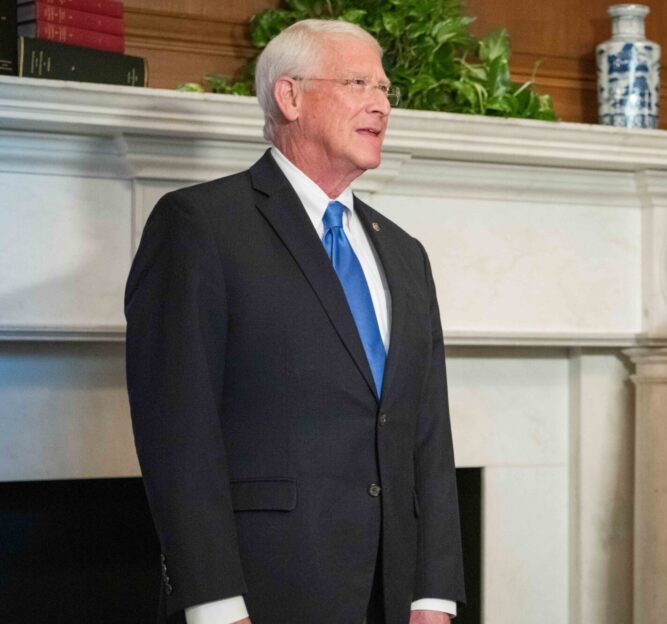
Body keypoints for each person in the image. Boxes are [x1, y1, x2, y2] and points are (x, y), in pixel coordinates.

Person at [125, 19, 464, 624]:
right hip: (262, 593)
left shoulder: (405, 252)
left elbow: (427, 432)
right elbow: (178, 432)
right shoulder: (199, 226)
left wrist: (432, 594)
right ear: (290, 96)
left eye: (386, 89)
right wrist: (215, 603)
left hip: (392, 598)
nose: (381, 105)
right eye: (359, 82)